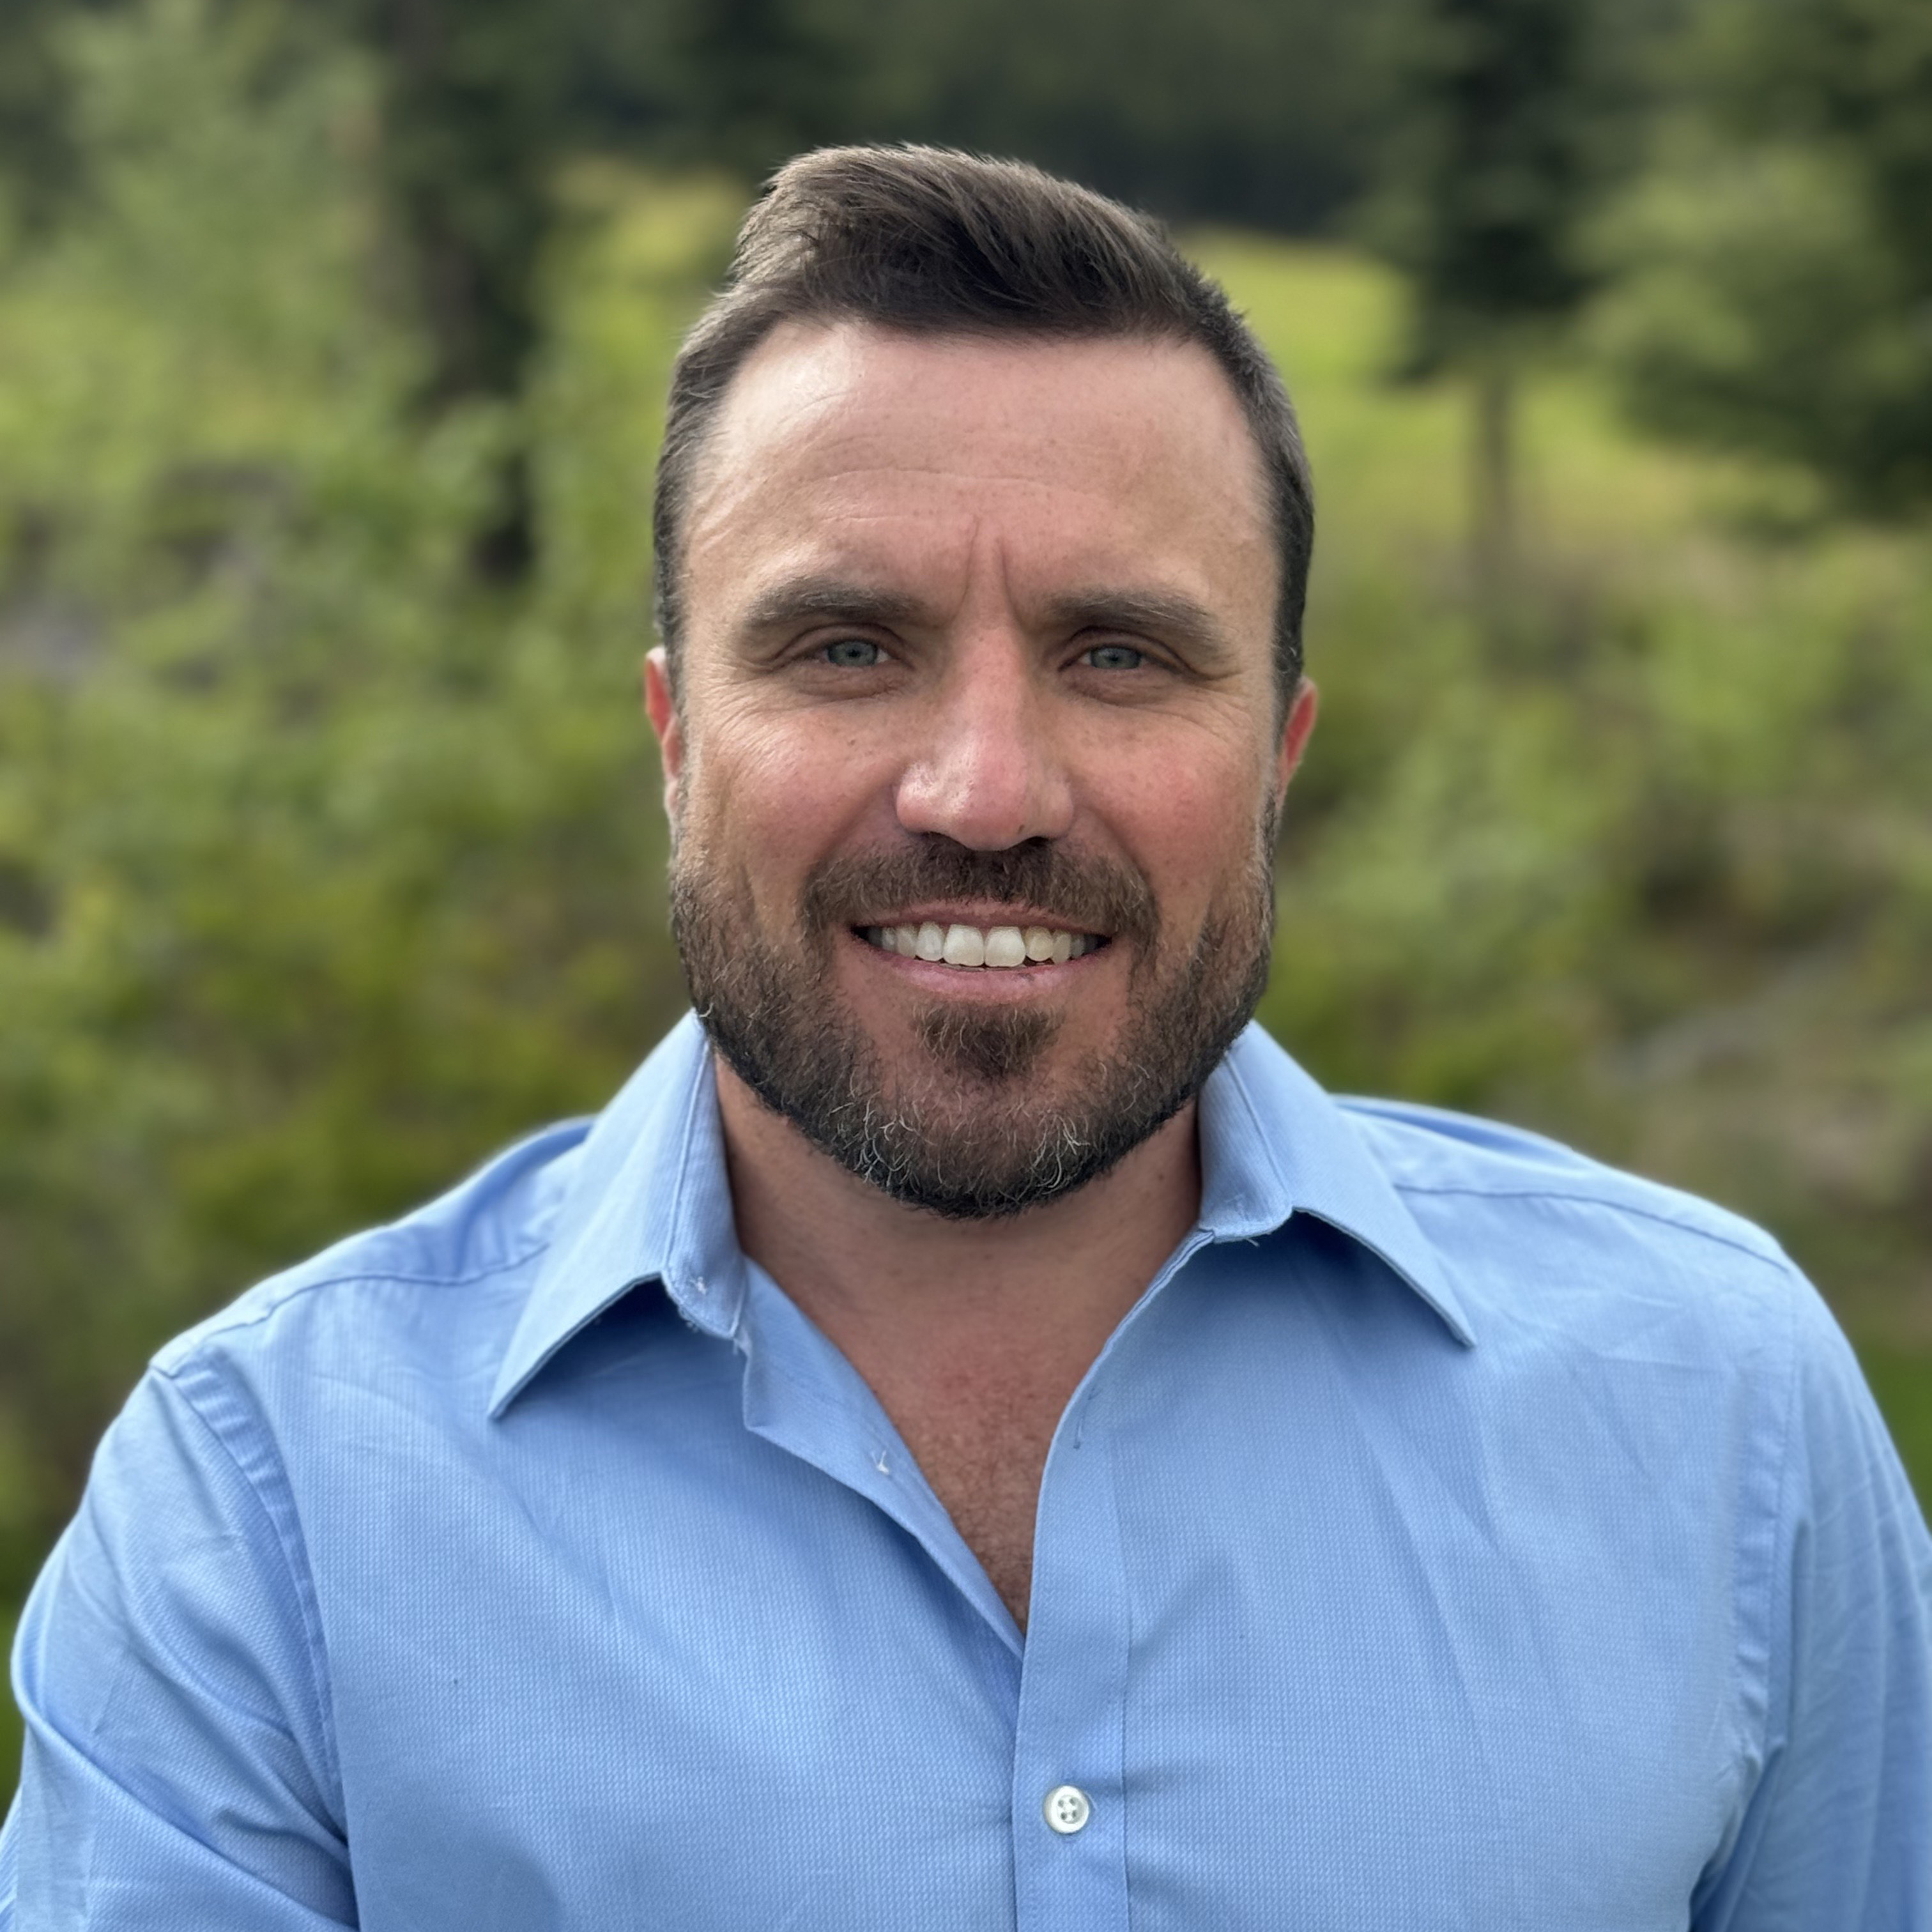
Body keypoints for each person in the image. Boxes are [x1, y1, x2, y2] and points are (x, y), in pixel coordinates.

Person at [3, 144, 1928, 1931]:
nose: (986, 789)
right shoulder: (267, 1517)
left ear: (1278, 758)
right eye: (847, 647)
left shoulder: (1718, 1421)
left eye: (1120, 654)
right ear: (677, 746)